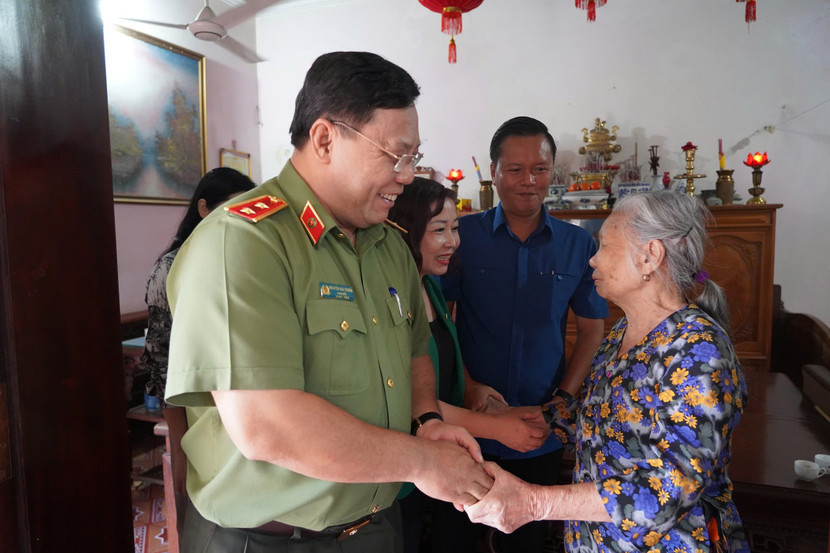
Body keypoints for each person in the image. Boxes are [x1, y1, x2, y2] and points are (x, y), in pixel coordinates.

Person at [164, 51, 493, 553]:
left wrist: (426, 421)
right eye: (395, 155)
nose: (407, 176)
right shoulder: (244, 243)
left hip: (373, 528)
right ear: (324, 139)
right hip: (265, 539)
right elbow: (267, 425)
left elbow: (413, 351)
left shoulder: (388, 247)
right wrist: (422, 463)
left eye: (413, 157)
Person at [465, 190, 751, 553]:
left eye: (606, 247)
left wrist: (534, 502)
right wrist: (514, 420)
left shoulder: (697, 351)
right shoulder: (623, 331)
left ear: (650, 257)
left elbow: (666, 490)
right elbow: (597, 415)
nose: (593, 261)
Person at [440, 116, 608, 551]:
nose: (528, 181)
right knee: (453, 541)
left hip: (540, 428)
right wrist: (470, 384)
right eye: (514, 170)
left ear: (553, 171)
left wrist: (563, 399)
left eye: (540, 169)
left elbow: (592, 329)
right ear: (494, 172)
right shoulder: (463, 236)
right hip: (467, 425)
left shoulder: (577, 245)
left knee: (528, 543)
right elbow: (437, 318)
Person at [388, 177, 550, 553]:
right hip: (404, 465)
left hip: (439, 458)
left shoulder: (429, 286)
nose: (453, 242)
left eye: (456, 228)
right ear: (406, 231)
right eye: (439, 230)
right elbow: (409, 399)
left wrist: (471, 386)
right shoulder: (394, 299)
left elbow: (444, 356)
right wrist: (496, 428)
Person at [141, 167, 256, 405]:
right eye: (233, 209)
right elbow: (162, 355)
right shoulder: (169, 268)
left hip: (240, 393)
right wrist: (177, 431)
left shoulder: (245, 260)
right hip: (193, 398)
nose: (243, 219)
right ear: (204, 208)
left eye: (248, 210)